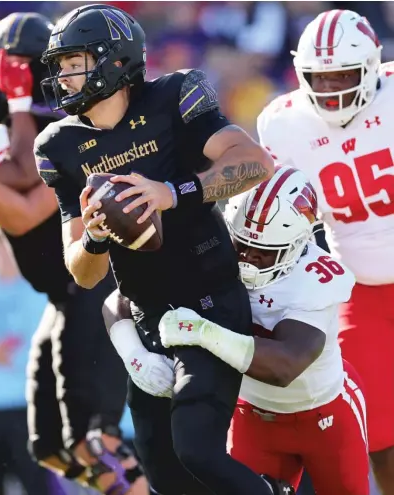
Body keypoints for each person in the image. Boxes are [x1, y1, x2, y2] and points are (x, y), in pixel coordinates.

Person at [35, 4, 280, 495]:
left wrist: (172, 191)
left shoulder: (174, 95)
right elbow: (81, 273)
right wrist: (96, 236)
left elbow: (255, 162)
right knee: (165, 474)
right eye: (58, 65)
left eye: (73, 61)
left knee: (198, 449)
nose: (62, 76)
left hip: (211, 299)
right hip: (147, 317)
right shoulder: (58, 146)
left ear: (113, 61)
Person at [0, 12, 146, 495]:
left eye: (16, 68)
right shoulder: (7, 126)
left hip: (96, 290)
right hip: (62, 298)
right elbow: (6, 170)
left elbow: (26, 206)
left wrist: (22, 104)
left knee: (96, 442)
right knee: (49, 446)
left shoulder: (69, 126)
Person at [158, 166, 369, 495]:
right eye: (240, 246)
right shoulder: (211, 250)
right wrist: (134, 354)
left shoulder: (315, 277)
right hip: (254, 417)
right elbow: (124, 298)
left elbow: (285, 366)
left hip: (325, 414)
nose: (247, 261)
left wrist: (203, 333)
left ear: (298, 245)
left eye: (262, 253)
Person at [256, 9, 394, 494]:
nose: (332, 88)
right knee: (378, 433)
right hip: (360, 290)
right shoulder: (283, 123)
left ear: (374, 66)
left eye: (343, 74)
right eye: (320, 76)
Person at [0, 221, 49, 495]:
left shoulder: (35, 286)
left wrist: (3, 354)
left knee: (37, 486)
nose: (5, 252)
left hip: (28, 407)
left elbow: (41, 343)